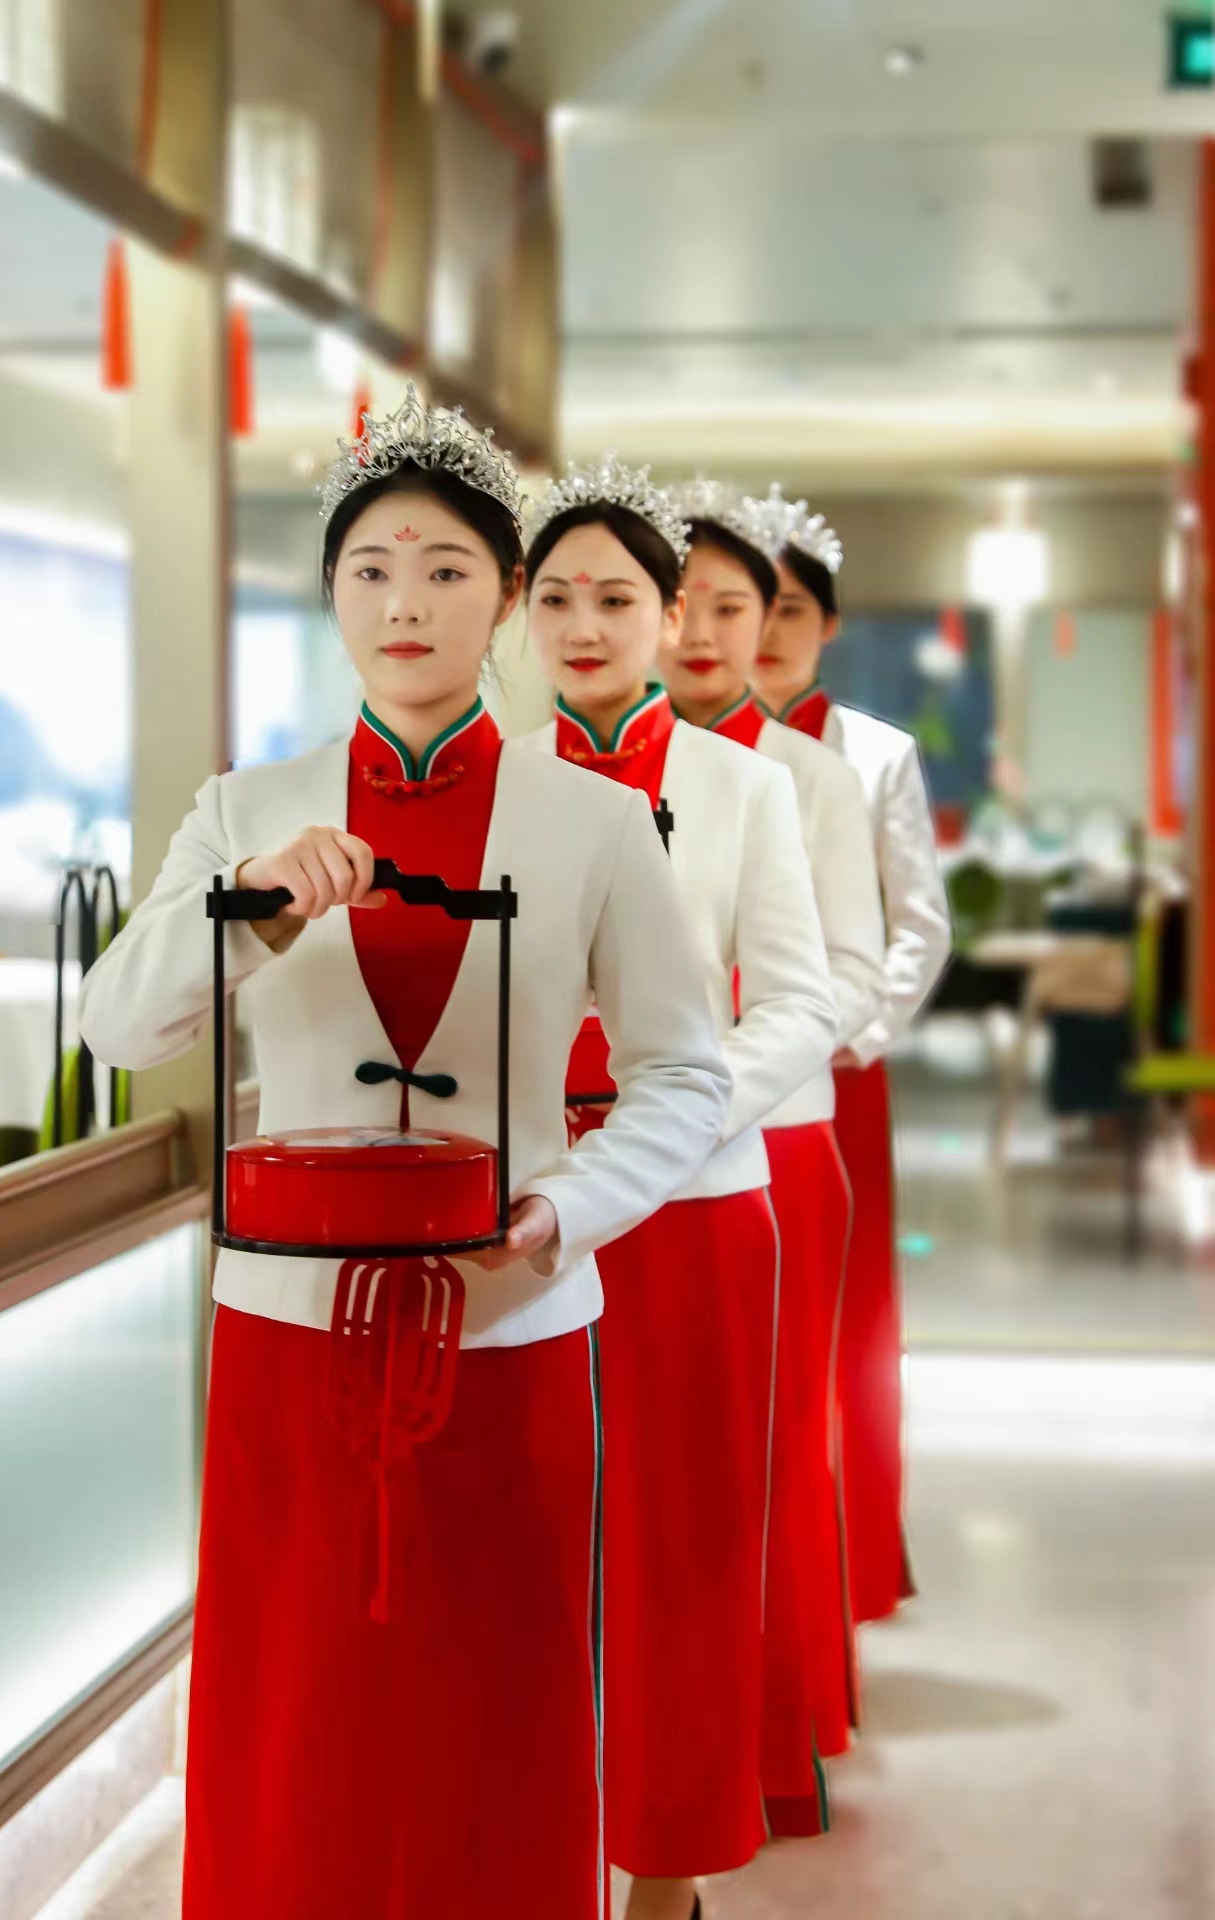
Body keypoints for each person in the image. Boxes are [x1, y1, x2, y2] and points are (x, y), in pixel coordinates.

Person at [78, 390, 735, 1920]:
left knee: (497, 1709)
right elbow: (116, 1025)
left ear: (503, 598)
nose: (405, 603)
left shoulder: (596, 822)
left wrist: (564, 1209)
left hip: (511, 1325)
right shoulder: (243, 811)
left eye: (446, 570)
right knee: (295, 1713)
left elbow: (685, 1076)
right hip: (289, 1333)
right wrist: (247, 909)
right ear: (330, 595)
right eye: (370, 569)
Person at [522, 458, 838, 1920]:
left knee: (684, 1558)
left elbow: (801, 1000)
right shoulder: (501, 784)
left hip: (700, 1215)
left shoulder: (743, 787)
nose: (587, 628)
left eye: (618, 599)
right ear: (524, 617)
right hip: (533, 1217)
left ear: (668, 617)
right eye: (557, 599)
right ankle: (539, 1851)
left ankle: (663, 1879)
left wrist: (680, 1106)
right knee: (531, 1558)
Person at [658, 481, 886, 1827]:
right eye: (676, 602)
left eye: (730, 607)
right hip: (612, 1166)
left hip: (774, 1147)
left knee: (773, 1452)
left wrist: (705, 1088)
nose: (697, 632)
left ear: (769, 624)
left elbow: (849, 977)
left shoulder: (810, 782)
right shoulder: (580, 769)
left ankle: (766, 1738)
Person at [751, 486, 952, 1627]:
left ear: (826, 623)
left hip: (837, 1071)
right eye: (752, 605)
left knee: (848, 1323)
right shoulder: (689, 746)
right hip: (720, 1072)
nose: (769, 630)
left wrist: (850, 1036)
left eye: (793, 608)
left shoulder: (875, 755)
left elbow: (916, 923)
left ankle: (852, 1554)